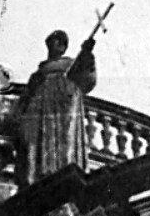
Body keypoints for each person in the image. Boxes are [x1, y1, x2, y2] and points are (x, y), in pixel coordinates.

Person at [16, 30, 96, 186]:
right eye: (55, 41)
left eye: (61, 42)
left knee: (65, 142)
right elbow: (25, 99)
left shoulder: (71, 65)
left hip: (64, 110)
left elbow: (88, 79)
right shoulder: (39, 74)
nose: (58, 45)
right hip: (41, 112)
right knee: (36, 144)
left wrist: (87, 55)